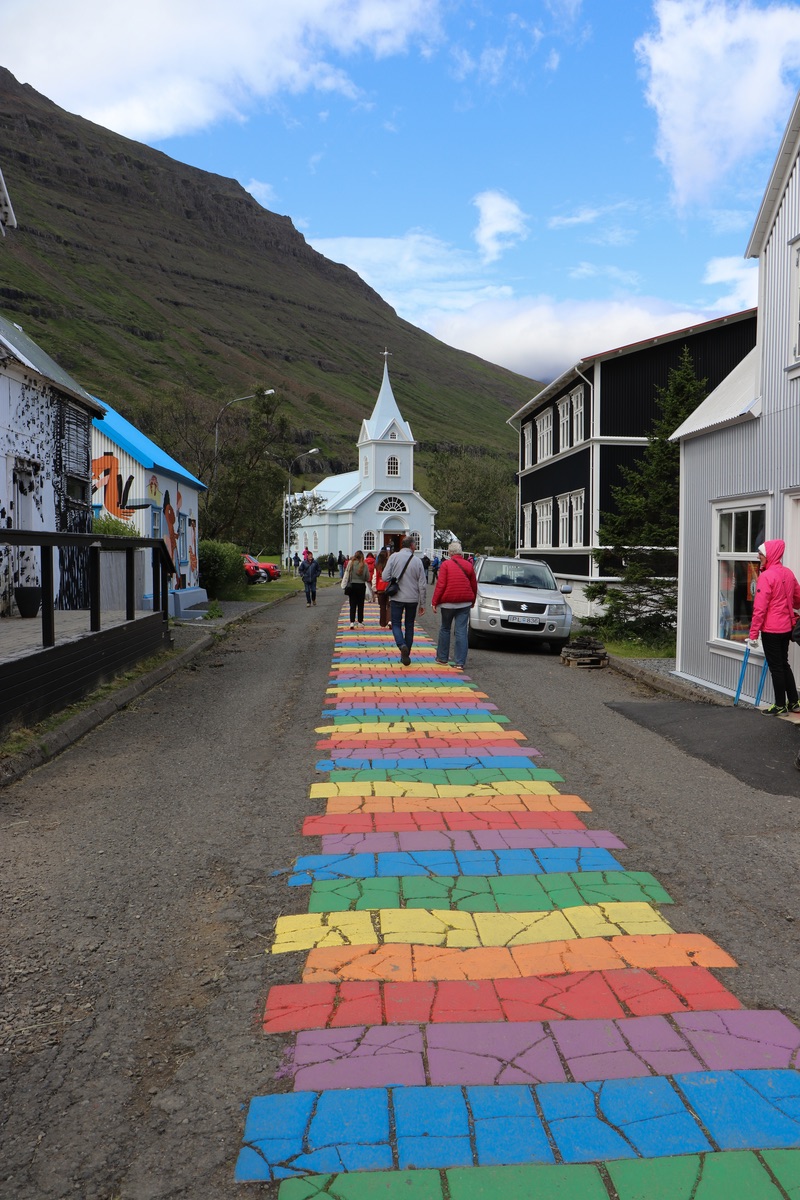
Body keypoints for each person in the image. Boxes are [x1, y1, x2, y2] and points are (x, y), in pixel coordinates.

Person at [747, 539, 800, 715]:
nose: (758, 556)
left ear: (769, 555)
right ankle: (794, 702)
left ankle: (780, 705)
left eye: (761, 553)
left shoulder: (766, 576)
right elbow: (798, 599)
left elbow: (760, 608)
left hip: (771, 630)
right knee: (784, 664)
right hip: (787, 628)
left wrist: (753, 634)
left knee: (776, 667)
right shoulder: (788, 573)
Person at [431, 540, 478, 670]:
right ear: (460, 552)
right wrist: (473, 600)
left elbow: (441, 585)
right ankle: (459, 662)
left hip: (447, 603)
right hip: (464, 603)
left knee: (445, 628)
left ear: (450, 553)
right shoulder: (468, 565)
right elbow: (474, 585)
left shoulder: (445, 565)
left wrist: (434, 602)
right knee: (461, 631)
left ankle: (442, 658)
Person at [383, 536, 426, 664]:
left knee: (396, 624)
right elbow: (422, 584)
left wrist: (393, 578)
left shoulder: (394, 557)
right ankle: (406, 655)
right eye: (415, 545)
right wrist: (422, 603)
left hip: (397, 597)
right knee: (409, 625)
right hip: (412, 598)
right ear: (411, 546)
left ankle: (402, 645)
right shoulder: (417, 561)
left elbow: (385, 576)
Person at [343, 549, 371, 627]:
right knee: (360, 604)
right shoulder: (364, 565)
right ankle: (360, 621)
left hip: (352, 585)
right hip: (361, 586)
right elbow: (367, 577)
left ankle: (352, 621)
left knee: (352, 604)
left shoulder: (351, 563)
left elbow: (347, 574)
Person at [372, 546, 390, 628]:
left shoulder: (377, 566)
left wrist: (374, 588)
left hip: (380, 588)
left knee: (382, 606)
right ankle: (389, 620)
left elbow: (375, 577)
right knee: (389, 605)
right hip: (388, 586)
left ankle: (382, 622)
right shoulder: (389, 565)